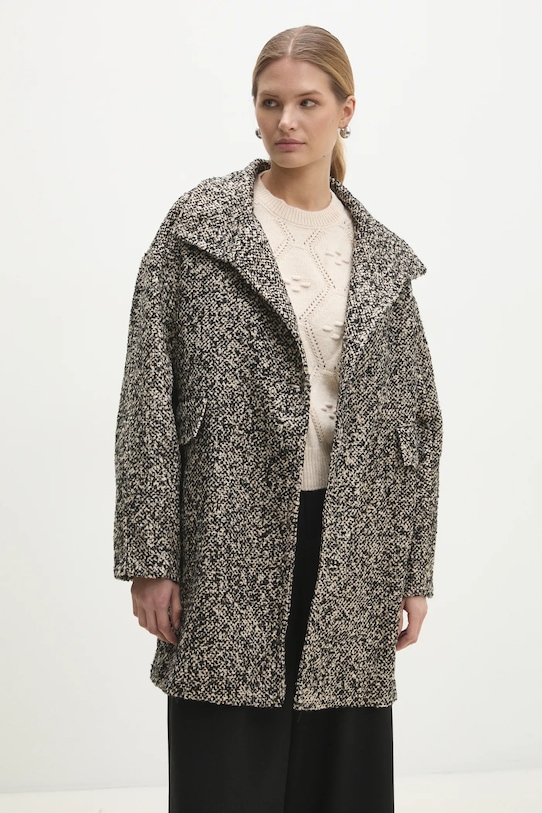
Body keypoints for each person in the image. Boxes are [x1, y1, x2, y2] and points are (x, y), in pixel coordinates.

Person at [114, 24, 442, 813]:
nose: (286, 121)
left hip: (354, 538)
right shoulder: (198, 229)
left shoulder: (383, 258)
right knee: (225, 770)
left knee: (343, 775)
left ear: (345, 110)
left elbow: (418, 424)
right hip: (224, 532)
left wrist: (412, 570)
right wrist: (150, 555)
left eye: (307, 103)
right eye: (270, 103)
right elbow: (146, 398)